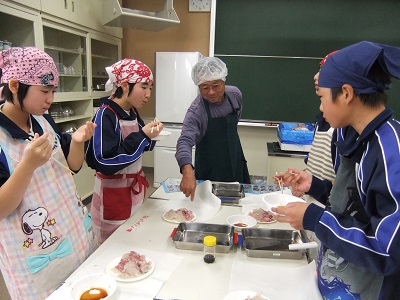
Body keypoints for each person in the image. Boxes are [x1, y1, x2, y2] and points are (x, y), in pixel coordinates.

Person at [273, 41, 400, 299]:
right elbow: (356, 205)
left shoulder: (391, 150)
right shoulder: (348, 135)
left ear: (345, 93)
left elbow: (390, 250)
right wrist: (317, 188)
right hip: (338, 280)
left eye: (322, 98)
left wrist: (315, 219)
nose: (320, 108)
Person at [0, 47, 98, 300]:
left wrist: (77, 141)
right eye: (44, 91)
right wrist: (28, 165)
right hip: (36, 253)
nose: (50, 99)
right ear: (14, 85)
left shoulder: (43, 120)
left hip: (71, 232)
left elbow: (70, 167)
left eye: (53, 91)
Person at [85, 58, 162, 243]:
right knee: (111, 247)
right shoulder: (106, 114)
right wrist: (143, 136)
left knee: (130, 238)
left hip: (131, 191)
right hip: (113, 196)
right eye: (144, 87)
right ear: (125, 86)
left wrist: (150, 135)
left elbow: (141, 145)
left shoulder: (132, 112)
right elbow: (105, 161)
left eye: (150, 88)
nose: (148, 94)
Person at [176, 57, 250, 200]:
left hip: (235, 160)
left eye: (216, 86)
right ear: (198, 87)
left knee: (240, 206)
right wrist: (187, 170)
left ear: (224, 81)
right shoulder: (196, 111)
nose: (211, 92)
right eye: (204, 87)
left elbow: (236, 121)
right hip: (210, 168)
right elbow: (184, 141)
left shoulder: (235, 95)